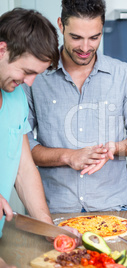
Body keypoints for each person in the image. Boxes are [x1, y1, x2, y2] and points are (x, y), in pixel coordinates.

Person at [23, 0, 127, 213]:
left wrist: (116, 148)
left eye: (94, 37)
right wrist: (68, 156)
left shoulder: (124, 75)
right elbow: (23, 146)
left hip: (111, 207)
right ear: (61, 26)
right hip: (51, 210)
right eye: (76, 37)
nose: (85, 47)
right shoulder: (36, 76)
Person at [0, 8, 80, 267]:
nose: (30, 82)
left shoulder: (16, 97)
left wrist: (48, 228)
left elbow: (23, 169)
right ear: (2, 50)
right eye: (27, 71)